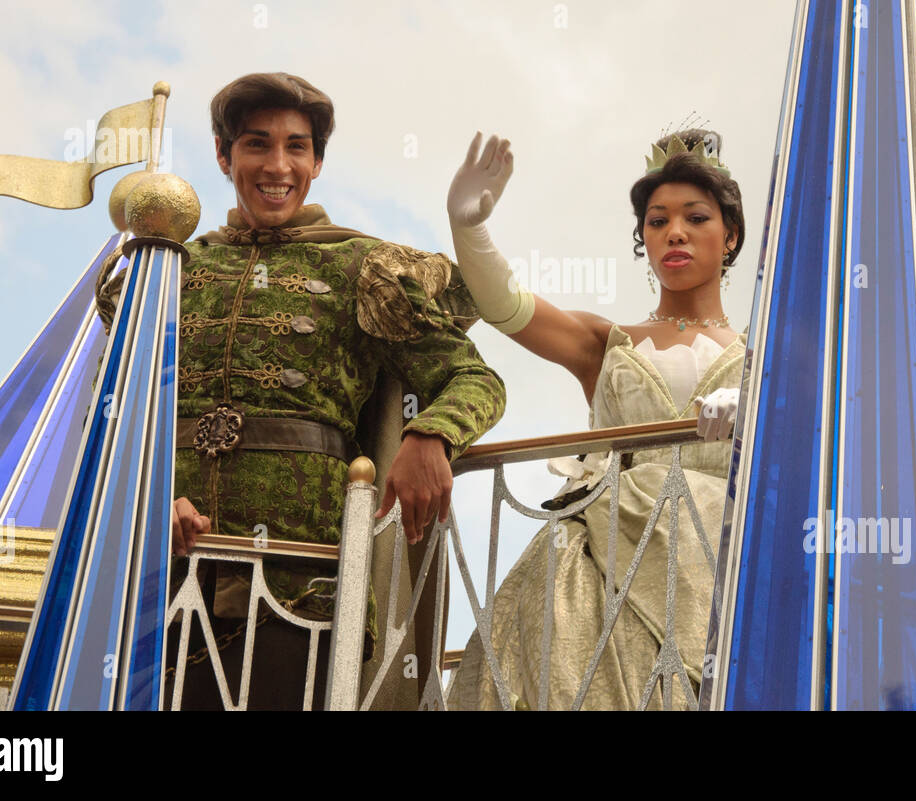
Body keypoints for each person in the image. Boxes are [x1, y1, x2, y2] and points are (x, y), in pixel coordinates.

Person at [102, 72, 507, 709]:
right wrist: (151, 493)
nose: (277, 165)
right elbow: (116, 411)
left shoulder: (357, 268)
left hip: (301, 590)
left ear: (317, 162)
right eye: (257, 144)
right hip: (157, 580)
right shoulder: (175, 269)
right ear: (222, 153)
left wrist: (431, 434)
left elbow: (474, 377)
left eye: (297, 147)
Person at [444, 127, 744, 710]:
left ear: (729, 237)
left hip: (721, 562)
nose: (674, 232)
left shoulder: (769, 357)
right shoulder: (605, 342)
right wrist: (469, 228)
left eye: (696, 218)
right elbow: (508, 307)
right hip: (599, 566)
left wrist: (758, 405)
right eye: (657, 221)